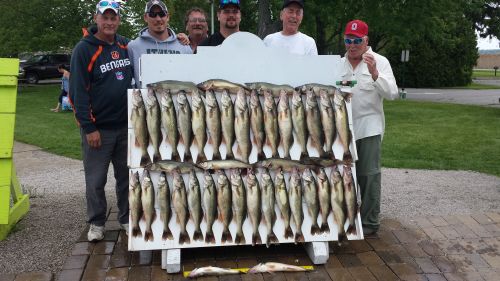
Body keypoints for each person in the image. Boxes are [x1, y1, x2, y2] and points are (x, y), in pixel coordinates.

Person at [69, 0, 132, 242]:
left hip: (127, 127)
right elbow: (77, 93)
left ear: (118, 20)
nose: (109, 22)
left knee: (126, 178)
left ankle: (126, 218)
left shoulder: (125, 44)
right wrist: (89, 127)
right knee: (95, 180)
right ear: (96, 19)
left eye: (113, 17)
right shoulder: (84, 49)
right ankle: (96, 222)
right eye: (104, 17)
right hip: (99, 130)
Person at [341, 20, 398, 236]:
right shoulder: (338, 64)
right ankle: (347, 218)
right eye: (348, 40)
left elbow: (392, 94)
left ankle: (370, 222)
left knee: (368, 176)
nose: (352, 45)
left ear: (366, 41)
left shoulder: (380, 62)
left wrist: (375, 73)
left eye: (357, 40)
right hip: (342, 131)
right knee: (345, 176)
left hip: (369, 129)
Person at [128, 0, 193, 88]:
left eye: (162, 14)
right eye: (153, 14)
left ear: (167, 17)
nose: (158, 19)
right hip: (146, 100)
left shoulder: (184, 46)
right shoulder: (133, 47)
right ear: (145, 17)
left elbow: (191, 80)